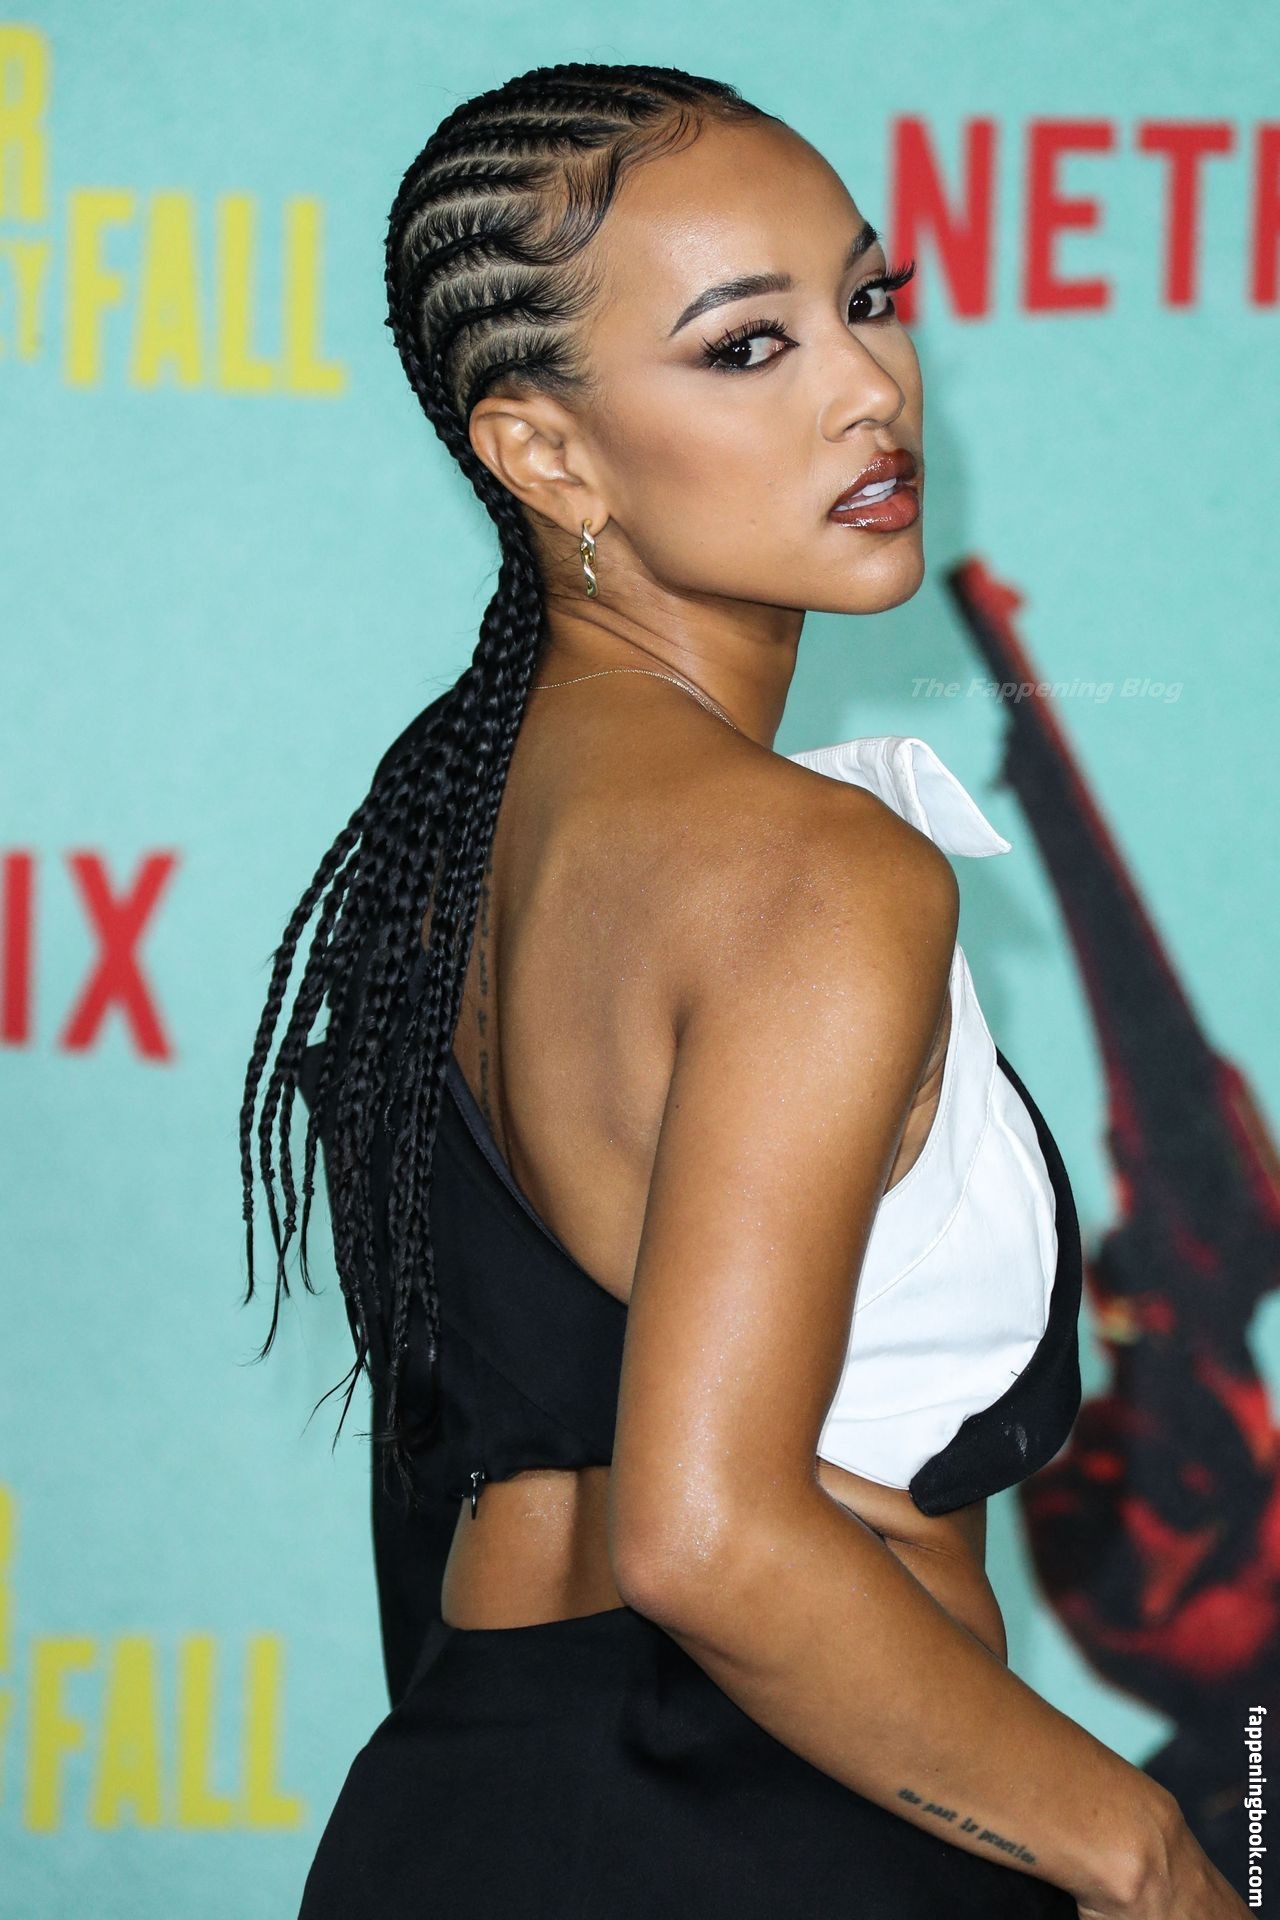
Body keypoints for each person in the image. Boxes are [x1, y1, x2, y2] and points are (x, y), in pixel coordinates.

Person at [240, 59, 1250, 1920]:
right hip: (779, 1826)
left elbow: (449, 1469)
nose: (870, 386)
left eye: (869, 298)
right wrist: (1152, 1856)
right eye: (747, 346)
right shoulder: (810, 871)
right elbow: (705, 1537)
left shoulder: (445, 846)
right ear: (545, 456)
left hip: (455, 1813)